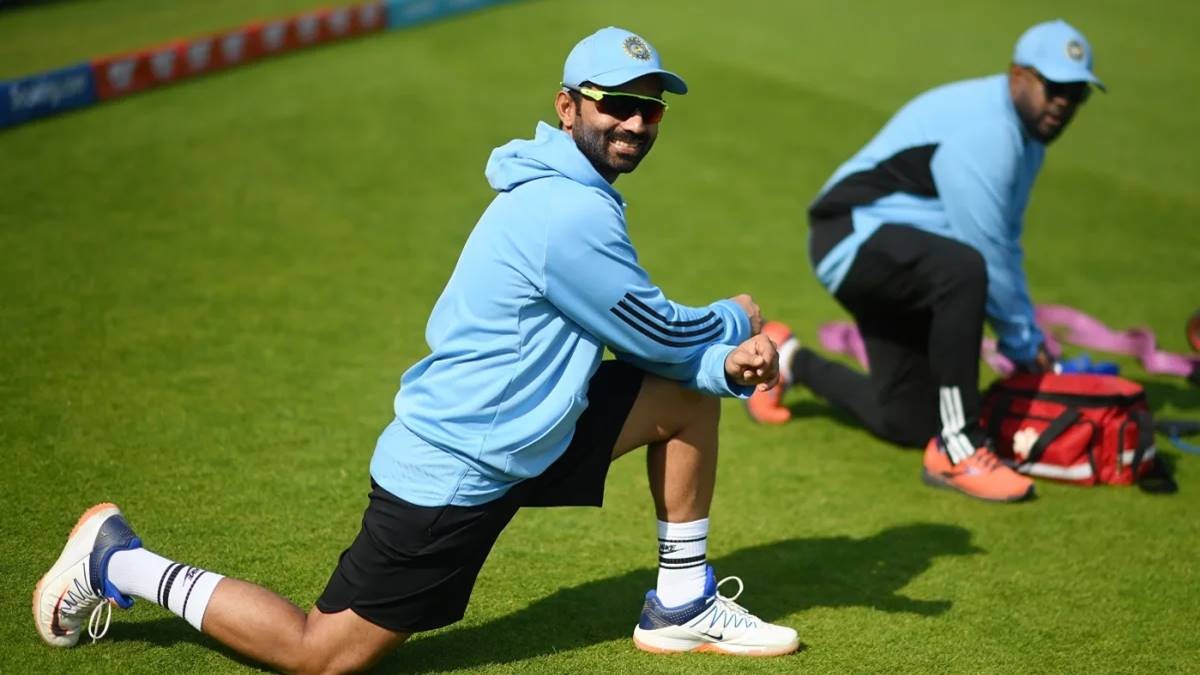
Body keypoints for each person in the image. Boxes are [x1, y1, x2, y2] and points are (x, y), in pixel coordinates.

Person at [33, 27, 800, 671]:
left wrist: (718, 369)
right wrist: (734, 323)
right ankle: (117, 558)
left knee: (686, 395)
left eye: (650, 108)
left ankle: (680, 603)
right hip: (461, 466)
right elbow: (654, 329)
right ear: (568, 107)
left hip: (534, 429)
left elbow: (650, 344)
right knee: (320, 652)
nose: (635, 123)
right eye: (617, 104)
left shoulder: (573, 190)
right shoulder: (567, 213)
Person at [747, 19, 1104, 503]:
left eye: (1076, 94)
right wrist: (1024, 347)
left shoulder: (1027, 137)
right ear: (1018, 75)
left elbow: (1005, 241)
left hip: (906, 256)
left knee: (909, 420)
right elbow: (986, 248)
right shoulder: (991, 132)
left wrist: (1028, 344)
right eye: (1054, 87)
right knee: (965, 269)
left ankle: (787, 358)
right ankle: (960, 448)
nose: (1063, 103)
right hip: (852, 238)